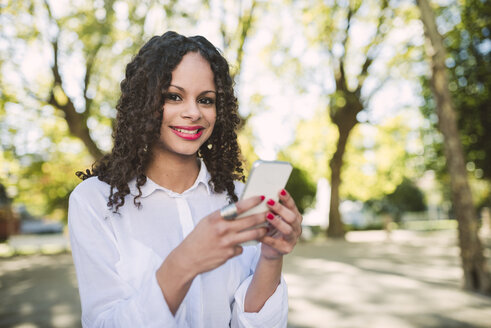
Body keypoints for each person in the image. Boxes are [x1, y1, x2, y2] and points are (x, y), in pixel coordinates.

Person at [68, 31, 302, 328]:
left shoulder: (240, 200)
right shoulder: (94, 201)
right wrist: (184, 262)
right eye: (174, 96)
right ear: (145, 103)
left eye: (206, 100)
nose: (193, 113)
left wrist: (270, 256)